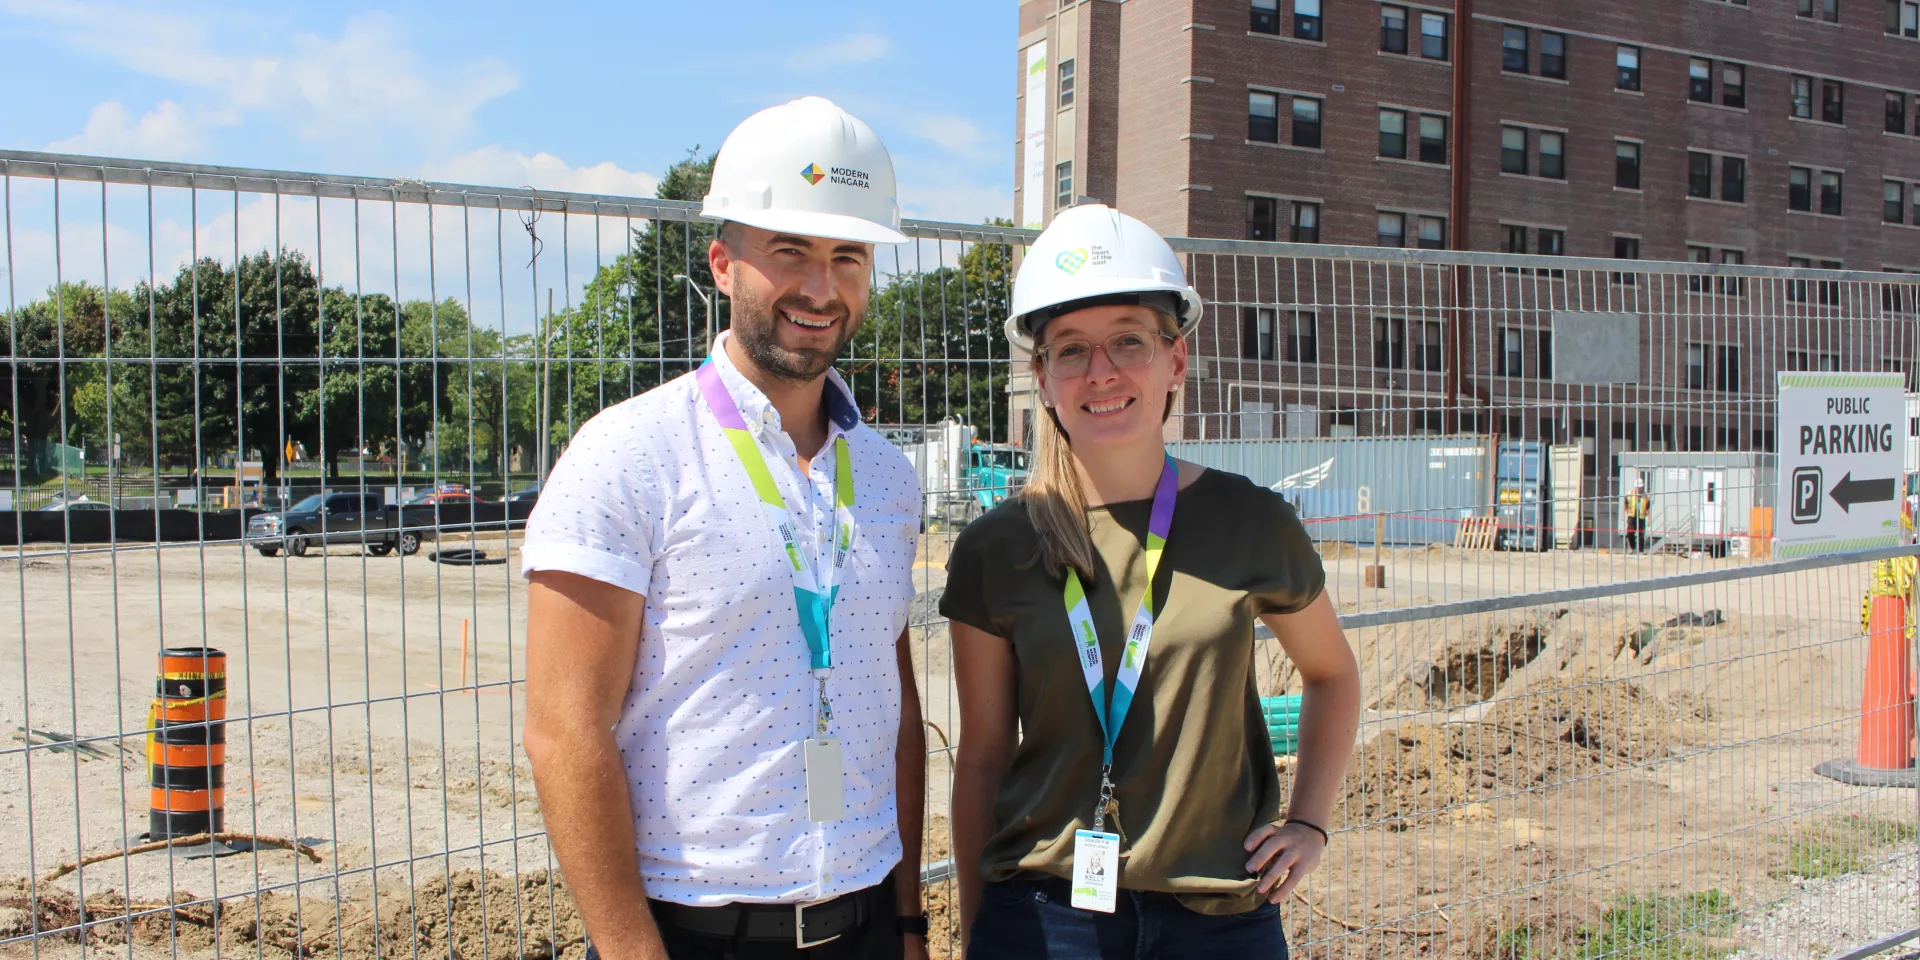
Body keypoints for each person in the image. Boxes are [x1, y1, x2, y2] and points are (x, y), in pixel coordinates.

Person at [520, 97, 929, 960]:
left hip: (864, 925)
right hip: (693, 932)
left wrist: (907, 922)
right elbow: (564, 730)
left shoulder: (888, 479)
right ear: (722, 263)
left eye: (848, 256)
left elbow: (892, 706)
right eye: (790, 252)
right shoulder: (629, 455)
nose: (821, 288)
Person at [942, 204, 1362, 959]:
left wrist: (1309, 823)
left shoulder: (1252, 523)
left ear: (1176, 360)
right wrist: (978, 934)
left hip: (1221, 920)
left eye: (1128, 342)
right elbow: (980, 760)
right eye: (1071, 350)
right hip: (1044, 922)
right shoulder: (994, 548)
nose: (1100, 372)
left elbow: (1332, 673)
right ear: (1041, 376)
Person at [1623, 481, 1651, 553]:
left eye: (1641, 487)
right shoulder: (1630, 494)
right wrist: (1623, 515)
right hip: (1632, 516)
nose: (1639, 488)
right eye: (1638, 487)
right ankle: (1632, 548)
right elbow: (1625, 504)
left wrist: (1649, 519)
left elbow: (1648, 508)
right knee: (1630, 533)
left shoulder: (1645, 496)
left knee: (1641, 534)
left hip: (1641, 517)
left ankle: (1641, 550)